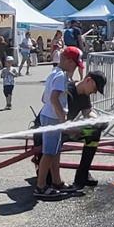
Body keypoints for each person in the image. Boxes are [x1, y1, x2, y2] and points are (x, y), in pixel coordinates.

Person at [32, 46, 82, 199]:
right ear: (67, 60)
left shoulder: (55, 73)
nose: (75, 67)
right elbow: (54, 98)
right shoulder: (60, 76)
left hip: (49, 116)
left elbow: (44, 97)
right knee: (48, 153)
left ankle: (56, 181)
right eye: (74, 63)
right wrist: (62, 119)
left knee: (55, 151)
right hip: (53, 119)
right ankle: (41, 186)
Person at [61, 71, 109, 190]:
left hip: (69, 131)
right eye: (94, 88)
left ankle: (83, 174)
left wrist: (98, 120)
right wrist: (72, 128)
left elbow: (88, 112)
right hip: (56, 131)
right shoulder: (67, 91)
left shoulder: (84, 94)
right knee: (48, 180)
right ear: (88, 80)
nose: (94, 92)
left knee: (94, 133)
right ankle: (48, 174)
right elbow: (58, 118)